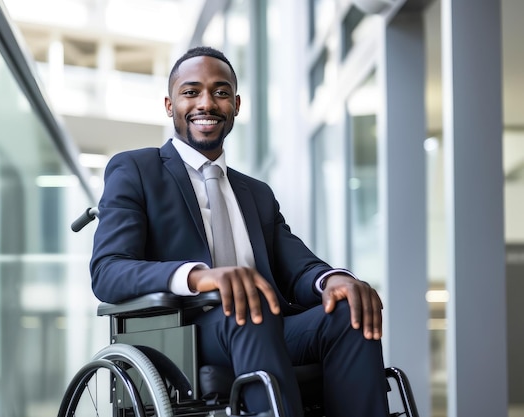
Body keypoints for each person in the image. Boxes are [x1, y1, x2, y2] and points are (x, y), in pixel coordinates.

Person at [90, 46, 389, 417]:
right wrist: (199, 276)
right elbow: (108, 270)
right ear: (170, 105)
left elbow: (298, 266)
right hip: (188, 331)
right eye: (191, 92)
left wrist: (333, 281)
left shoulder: (256, 194)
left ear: (236, 104)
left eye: (220, 92)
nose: (206, 103)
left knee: (348, 309)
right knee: (247, 302)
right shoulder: (137, 169)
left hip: (267, 327)